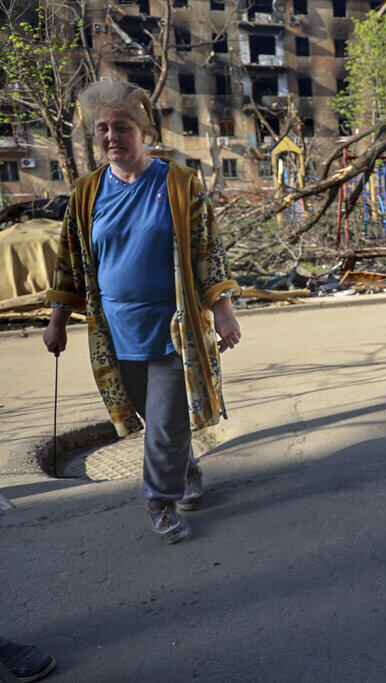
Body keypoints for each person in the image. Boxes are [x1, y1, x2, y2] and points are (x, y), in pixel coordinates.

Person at [43, 79, 240, 545]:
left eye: (122, 126)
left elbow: (207, 254)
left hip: (173, 327)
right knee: (154, 417)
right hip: (114, 331)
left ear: (144, 130)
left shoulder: (178, 183)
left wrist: (225, 312)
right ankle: (184, 466)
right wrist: (56, 321)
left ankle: (158, 501)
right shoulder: (86, 194)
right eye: (102, 129)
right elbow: (69, 262)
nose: (112, 136)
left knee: (168, 415)